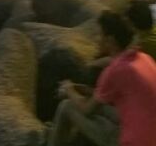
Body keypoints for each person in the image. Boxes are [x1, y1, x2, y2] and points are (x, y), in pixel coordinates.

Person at [48, 11, 156, 146]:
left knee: (66, 106)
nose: (96, 38)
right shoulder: (144, 58)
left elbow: (86, 110)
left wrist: (69, 90)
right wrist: (80, 89)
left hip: (134, 141)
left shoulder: (114, 71)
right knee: (101, 108)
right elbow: (102, 97)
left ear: (110, 40)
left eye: (99, 34)